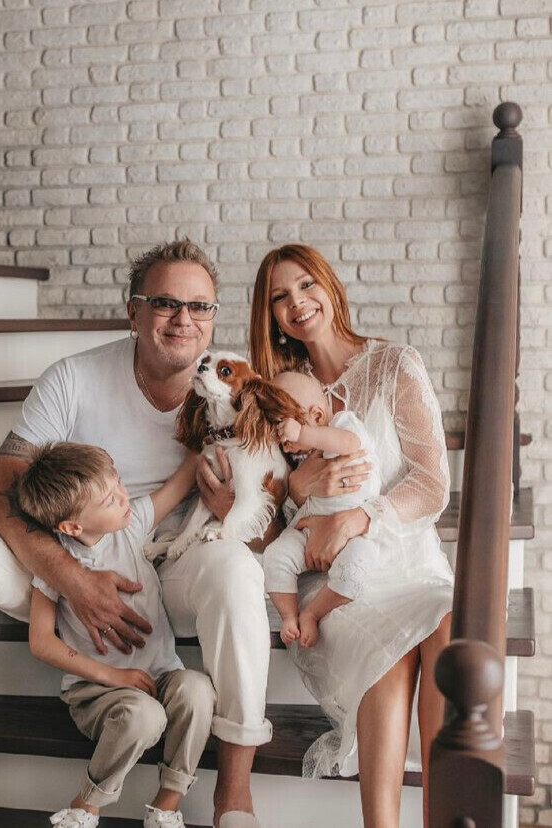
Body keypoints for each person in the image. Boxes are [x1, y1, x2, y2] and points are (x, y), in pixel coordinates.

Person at [0, 240, 275, 828]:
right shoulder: (74, 378)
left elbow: (272, 505)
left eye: (200, 306)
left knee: (238, 571)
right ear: (133, 310)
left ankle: (235, 799)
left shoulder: (234, 392)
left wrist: (232, 512)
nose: (184, 320)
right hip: (75, 551)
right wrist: (70, 577)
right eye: (166, 302)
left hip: (172, 565)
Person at [247, 243, 454, 828]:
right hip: (329, 577)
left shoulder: (395, 365)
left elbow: (431, 483)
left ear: (330, 287)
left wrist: (360, 517)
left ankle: (444, 814)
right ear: (271, 316)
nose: (297, 303)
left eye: (306, 285)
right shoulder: (278, 395)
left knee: (447, 619)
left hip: (405, 558)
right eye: (280, 297)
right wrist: (296, 489)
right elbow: (265, 512)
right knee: (387, 646)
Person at [19, 441, 215, 828]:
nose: (124, 497)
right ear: (72, 527)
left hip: (161, 676)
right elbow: (41, 642)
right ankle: (85, 806)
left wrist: (210, 436)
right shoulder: (58, 565)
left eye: (119, 482)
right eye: (110, 499)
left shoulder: (133, 522)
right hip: (97, 691)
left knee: (198, 691)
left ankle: (166, 806)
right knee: (144, 716)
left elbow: (182, 480)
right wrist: (113, 676)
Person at [262, 371, 382, 647]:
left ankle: (313, 613)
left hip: (353, 534)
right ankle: (290, 615)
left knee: (359, 565)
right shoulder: (304, 457)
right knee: (275, 556)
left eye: (286, 430)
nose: (285, 444)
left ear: (316, 416)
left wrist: (303, 434)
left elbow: (350, 444)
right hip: (308, 530)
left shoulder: (344, 424)